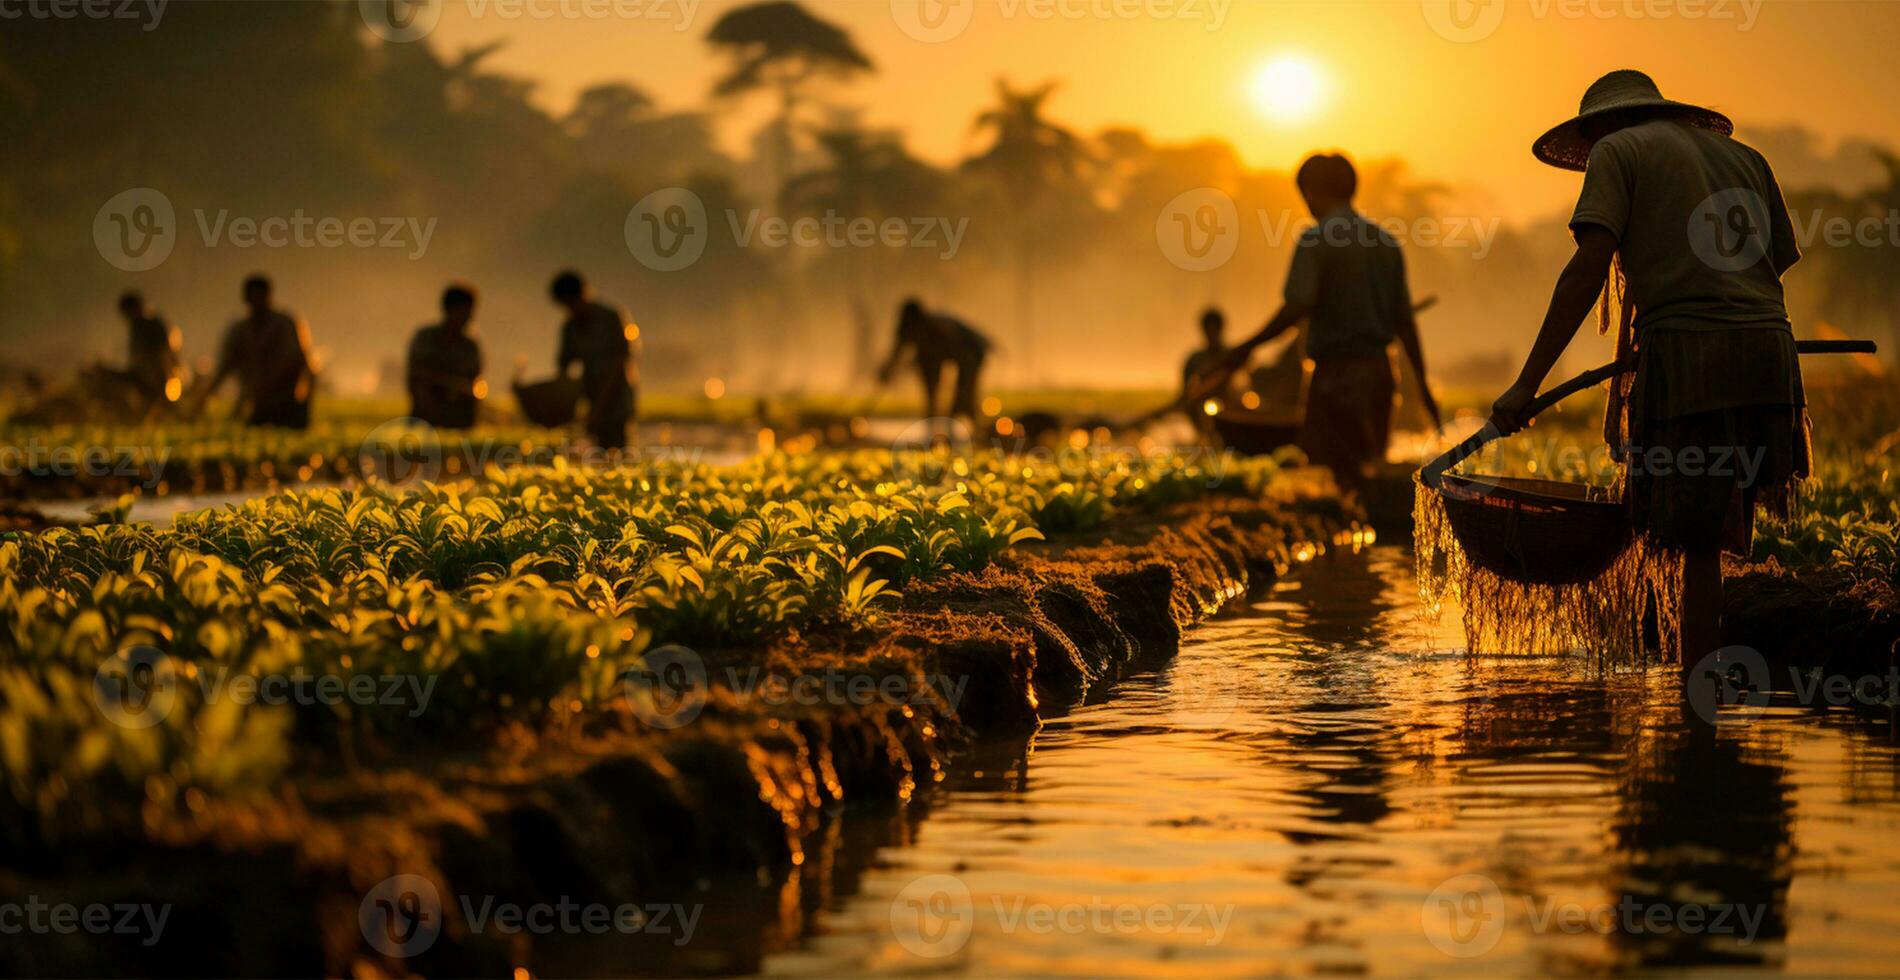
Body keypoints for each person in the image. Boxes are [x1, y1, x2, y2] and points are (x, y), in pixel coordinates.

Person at [1487, 69, 1809, 671]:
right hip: (1768, 351)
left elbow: (1587, 270)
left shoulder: (1617, 150)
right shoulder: (1746, 157)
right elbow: (1776, 261)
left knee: (1696, 543)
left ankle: (1696, 704)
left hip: (1692, 357)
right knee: (1710, 530)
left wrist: (1526, 385)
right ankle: (1699, 687)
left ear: (1602, 126)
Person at [1228, 153, 1440, 492]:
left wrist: (1245, 347)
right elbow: (1405, 323)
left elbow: (1296, 306)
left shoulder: (1315, 240)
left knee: (1335, 475)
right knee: (1369, 468)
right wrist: (1424, 387)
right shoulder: (1386, 243)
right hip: (1381, 376)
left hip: (1336, 377)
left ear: (1310, 192)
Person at [202, 274, 316, 429]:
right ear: (245, 298)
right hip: (259, 404)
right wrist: (204, 398)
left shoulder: (284, 324)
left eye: (260, 295)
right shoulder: (240, 330)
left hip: (288, 403)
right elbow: (226, 365)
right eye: (253, 296)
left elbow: (298, 362)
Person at [877, 298, 992, 439]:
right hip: (936, 357)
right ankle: (933, 433)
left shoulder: (938, 327)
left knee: (963, 396)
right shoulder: (907, 329)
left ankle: (971, 432)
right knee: (931, 395)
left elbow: (959, 353)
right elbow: (898, 353)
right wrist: (888, 372)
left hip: (970, 352)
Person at [552, 270, 638, 450]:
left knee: (617, 446)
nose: (571, 309)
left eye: (572, 303)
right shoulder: (570, 327)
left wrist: (600, 404)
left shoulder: (611, 318)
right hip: (591, 395)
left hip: (617, 396)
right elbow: (564, 366)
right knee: (598, 447)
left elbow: (621, 360)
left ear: (583, 294)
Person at [406, 283, 485, 429]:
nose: (470, 317)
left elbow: (474, 380)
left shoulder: (469, 346)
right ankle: (429, 419)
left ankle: (455, 422)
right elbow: (416, 373)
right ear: (450, 310)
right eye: (465, 311)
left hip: (458, 402)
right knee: (422, 386)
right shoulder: (425, 338)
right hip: (429, 399)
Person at [115, 290, 182, 415]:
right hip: (145, 373)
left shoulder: (150, 324)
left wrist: (166, 373)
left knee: (163, 402)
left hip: (155, 375)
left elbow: (164, 352)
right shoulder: (138, 325)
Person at [1180, 307, 1241, 438]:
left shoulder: (1232, 355)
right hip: (1203, 402)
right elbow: (1186, 388)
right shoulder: (1195, 359)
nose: (1211, 334)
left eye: (1215, 329)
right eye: (1208, 329)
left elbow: (1242, 381)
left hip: (1227, 401)